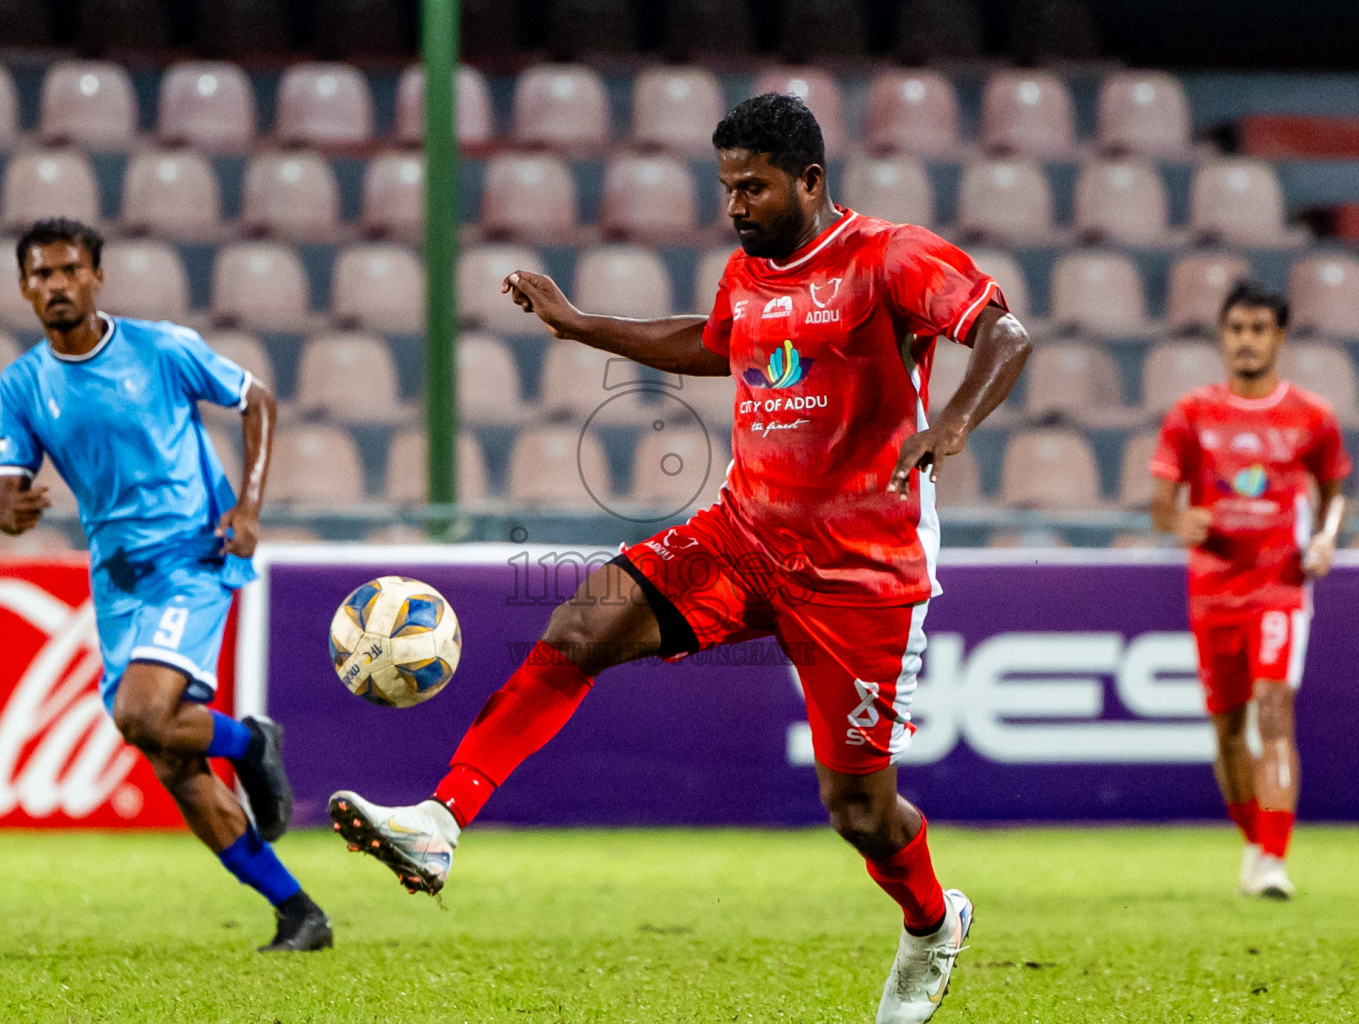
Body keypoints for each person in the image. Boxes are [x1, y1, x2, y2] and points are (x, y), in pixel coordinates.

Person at [330, 94, 1030, 1021]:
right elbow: (712, 346)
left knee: (859, 812)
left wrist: (953, 422)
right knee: (583, 624)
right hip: (742, 536)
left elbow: (1004, 334)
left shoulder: (889, 257)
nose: (736, 205)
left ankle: (933, 921)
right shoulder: (747, 272)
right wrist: (583, 325)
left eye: (756, 186)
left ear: (811, 182)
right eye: (728, 186)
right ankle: (439, 821)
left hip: (861, 574)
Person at [0, 218, 332, 951]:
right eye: (41, 274)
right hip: (117, 579)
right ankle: (300, 913)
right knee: (174, 764)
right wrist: (9, 510)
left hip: (193, 554)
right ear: (24, 287)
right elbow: (8, 491)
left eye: (69, 269)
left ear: (96, 276)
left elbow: (257, 400)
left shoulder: (161, 348)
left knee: (142, 716)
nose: (56, 284)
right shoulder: (21, 384)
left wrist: (249, 505)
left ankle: (247, 744)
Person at [1149, 280, 1350, 900]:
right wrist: (1181, 521)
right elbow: (1160, 504)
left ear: (1280, 337)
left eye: (1259, 329)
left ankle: (1274, 859)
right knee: (1229, 731)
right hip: (1212, 591)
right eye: (1236, 328)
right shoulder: (1192, 413)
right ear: (1221, 336)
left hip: (1280, 586)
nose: (1246, 340)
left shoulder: (1312, 416)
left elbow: (1335, 492)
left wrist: (1326, 539)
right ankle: (1254, 844)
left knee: (1274, 712)